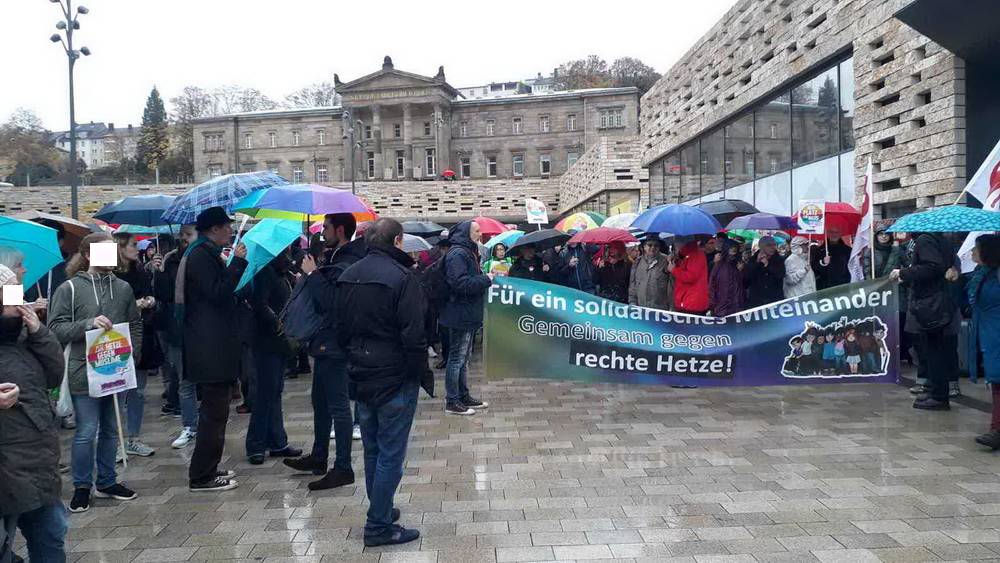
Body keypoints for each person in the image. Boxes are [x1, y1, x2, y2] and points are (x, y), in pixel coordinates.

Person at [336, 218, 433, 547]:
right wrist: (419, 372)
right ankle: (378, 524)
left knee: (373, 449)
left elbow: (340, 328)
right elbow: (414, 334)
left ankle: (381, 508)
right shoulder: (403, 277)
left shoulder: (348, 274)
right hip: (394, 375)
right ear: (397, 241)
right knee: (390, 452)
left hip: (361, 370)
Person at [49, 233, 143, 513]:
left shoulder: (123, 288)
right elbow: (55, 328)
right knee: (86, 431)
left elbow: (134, 323)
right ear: (88, 255)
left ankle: (107, 480)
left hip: (115, 367)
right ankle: (82, 486)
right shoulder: (69, 289)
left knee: (112, 429)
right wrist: (88, 323)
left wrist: (133, 354)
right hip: (83, 369)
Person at [284, 213, 367, 491]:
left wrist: (313, 274)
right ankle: (319, 457)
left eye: (327, 228)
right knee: (320, 401)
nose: (323, 233)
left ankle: (343, 467)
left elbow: (332, 302)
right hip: (324, 342)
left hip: (335, 344)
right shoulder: (336, 256)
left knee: (338, 406)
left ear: (340, 230)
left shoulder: (348, 261)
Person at [0, 262, 68, 562]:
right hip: (7, 463)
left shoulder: (25, 335)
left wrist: (40, 332)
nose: (20, 303)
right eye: (10, 295)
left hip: (37, 461)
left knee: (51, 539)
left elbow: (54, 375)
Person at [179, 207, 248, 491]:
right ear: (214, 229)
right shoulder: (200, 256)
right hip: (209, 347)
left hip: (214, 345)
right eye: (227, 227)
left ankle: (209, 467)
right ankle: (202, 476)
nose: (231, 231)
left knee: (217, 414)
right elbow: (217, 293)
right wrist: (237, 264)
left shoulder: (207, 253)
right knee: (213, 414)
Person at [891, 231, 958, 410]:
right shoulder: (941, 239)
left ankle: (939, 396)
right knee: (935, 350)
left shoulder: (925, 239)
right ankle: (936, 390)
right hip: (939, 300)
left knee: (934, 350)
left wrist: (904, 272)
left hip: (931, 302)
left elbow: (931, 267)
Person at [112, 233, 159, 458]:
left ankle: (133, 438)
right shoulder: (110, 274)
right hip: (118, 336)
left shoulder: (140, 270)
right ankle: (115, 442)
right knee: (118, 392)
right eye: (132, 245)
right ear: (120, 247)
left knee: (137, 391)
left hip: (141, 334)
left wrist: (149, 301)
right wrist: (134, 304)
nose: (137, 248)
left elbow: (152, 296)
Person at [439, 220, 492, 416]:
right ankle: (452, 400)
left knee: (464, 358)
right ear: (466, 233)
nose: (480, 233)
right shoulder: (458, 254)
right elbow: (460, 283)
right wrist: (486, 279)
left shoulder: (468, 252)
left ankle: (463, 395)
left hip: (466, 312)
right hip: (459, 313)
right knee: (456, 358)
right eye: (477, 230)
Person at [157, 226, 200, 449]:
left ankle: (206, 424)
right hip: (178, 328)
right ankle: (190, 425)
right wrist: (159, 273)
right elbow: (163, 295)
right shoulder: (170, 260)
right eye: (182, 234)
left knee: (206, 382)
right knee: (185, 381)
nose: (184, 237)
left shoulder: (206, 259)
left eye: (189, 234)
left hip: (202, 329)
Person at [967, 235, 1000, 449]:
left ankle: (996, 430)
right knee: (996, 381)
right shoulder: (980, 274)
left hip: (996, 330)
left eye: (975, 248)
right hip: (988, 331)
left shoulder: (994, 275)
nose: (971, 252)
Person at [743, 236, 786, 308]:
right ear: (761, 247)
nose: (773, 247)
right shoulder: (753, 260)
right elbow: (747, 280)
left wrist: (768, 265)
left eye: (774, 245)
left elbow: (780, 275)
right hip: (757, 301)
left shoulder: (779, 259)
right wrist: (757, 263)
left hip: (774, 300)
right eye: (769, 245)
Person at [629, 240, 672, 310]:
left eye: (656, 245)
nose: (653, 247)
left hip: (661, 309)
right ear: (644, 246)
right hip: (640, 308)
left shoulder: (667, 261)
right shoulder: (637, 262)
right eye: (650, 245)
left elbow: (671, 286)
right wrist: (632, 302)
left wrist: (672, 308)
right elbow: (632, 285)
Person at [669, 240, 708, 314]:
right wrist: (674, 260)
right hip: (686, 301)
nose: (676, 246)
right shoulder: (685, 255)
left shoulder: (696, 255)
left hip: (692, 303)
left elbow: (691, 277)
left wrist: (674, 270)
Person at [708, 238, 744, 316]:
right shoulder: (719, 265)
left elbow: (742, 285)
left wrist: (740, 272)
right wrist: (712, 304)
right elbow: (712, 285)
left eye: (735, 251)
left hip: (734, 306)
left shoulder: (738, 264)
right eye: (731, 250)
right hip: (721, 306)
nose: (733, 254)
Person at [810, 226, 852, 290]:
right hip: (824, 287)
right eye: (831, 232)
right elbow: (814, 268)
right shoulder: (820, 251)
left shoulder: (848, 250)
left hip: (844, 286)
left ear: (840, 234)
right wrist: (823, 262)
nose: (834, 234)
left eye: (836, 232)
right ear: (827, 234)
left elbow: (852, 267)